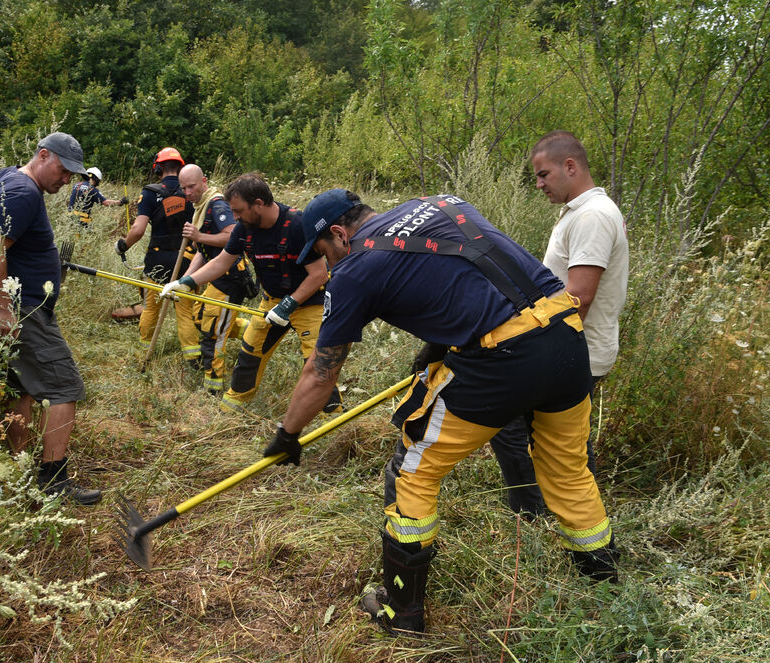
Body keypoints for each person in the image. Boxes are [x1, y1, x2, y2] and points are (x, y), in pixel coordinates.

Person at [265, 188, 619, 635]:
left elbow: (321, 373)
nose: (328, 264)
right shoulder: (440, 203)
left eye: (323, 252)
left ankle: (402, 612)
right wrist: (440, 342)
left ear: (338, 233)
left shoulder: (354, 270)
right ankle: (607, 593)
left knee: (413, 472)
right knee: (569, 471)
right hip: (566, 338)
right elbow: (468, 273)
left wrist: (288, 432)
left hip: (502, 360)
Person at [488, 131, 629, 517]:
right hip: (569, 348)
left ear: (570, 166)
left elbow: (578, 297)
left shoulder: (593, 217)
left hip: (574, 351)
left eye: (543, 174)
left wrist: (526, 343)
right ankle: (561, 512)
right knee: (564, 439)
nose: (538, 184)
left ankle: (535, 513)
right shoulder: (580, 213)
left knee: (517, 425)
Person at [0, 132, 101, 506]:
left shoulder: (5, 177)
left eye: (73, 173)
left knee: (14, 388)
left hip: (4, 303)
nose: (67, 179)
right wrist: (6, 307)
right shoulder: (24, 192)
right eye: (63, 169)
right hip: (23, 308)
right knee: (65, 387)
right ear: (42, 156)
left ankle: (15, 468)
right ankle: (53, 479)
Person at [162, 173, 341, 413]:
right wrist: (186, 282)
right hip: (271, 302)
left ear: (259, 203)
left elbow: (319, 274)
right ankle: (231, 410)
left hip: (309, 303)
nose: (234, 217)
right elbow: (221, 263)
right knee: (249, 355)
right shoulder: (243, 229)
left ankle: (331, 418)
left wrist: (290, 304)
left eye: (239, 211)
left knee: (319, 365)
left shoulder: (297, 224)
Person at [115, 148, 200, 365]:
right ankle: (193, 359)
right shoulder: (190, 192)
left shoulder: (150, 193)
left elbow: (138, 229)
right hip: (186, 260)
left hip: (157, 260)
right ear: (180, 167)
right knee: (184, 311)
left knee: (151, 307)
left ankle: (145, 351)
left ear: (158, 167)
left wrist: (122, 246)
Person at [177, 164, 254, 394]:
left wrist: (198, 235)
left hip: (231, 277)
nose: (187, 192)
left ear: (204, 181)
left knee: (213, 333)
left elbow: (232, 237)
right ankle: (250, 331)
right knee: (201, 318)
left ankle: (213, 389)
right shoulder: (199, 208)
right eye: (183, 188)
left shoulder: (217, 205)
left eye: (191, 186)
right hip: (217, 277)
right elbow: (202, 251)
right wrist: (185, 281)